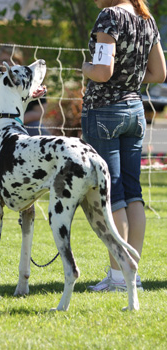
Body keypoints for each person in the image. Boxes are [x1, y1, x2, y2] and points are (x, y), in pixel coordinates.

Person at [81, 0, 166, 291]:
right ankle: (132, 273)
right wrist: (129, 79)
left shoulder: (109, 17)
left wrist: (86, 67)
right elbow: (160, 74)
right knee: (133, 192)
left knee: (112, 193)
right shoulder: (147, 18)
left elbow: (102, 72)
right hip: (135, 111)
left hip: (105, 111)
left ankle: (118, 276)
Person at [0, 45, 49, 190]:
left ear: (20, 61)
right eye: (3, 60)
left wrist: (17, 120)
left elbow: (40, 111)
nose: (6, 64)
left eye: (11, 60)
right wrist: (7, 118)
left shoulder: (29, 80)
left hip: (21, 122)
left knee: (41, 133)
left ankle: (38, 182)